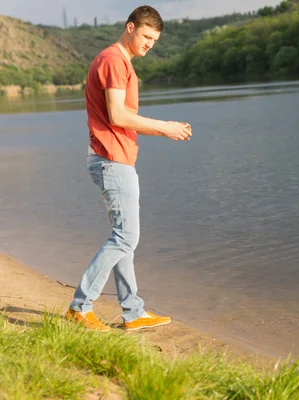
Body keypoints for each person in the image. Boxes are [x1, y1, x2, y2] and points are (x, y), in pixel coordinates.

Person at [65, 5, 192, 332]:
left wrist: (164, 129)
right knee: (125, 237)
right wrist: (164, 126)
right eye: (147, 36)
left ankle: (132, 312)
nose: (150, 43)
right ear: (130, 27)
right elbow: (117, 116)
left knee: (125, 238)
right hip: (111, 159)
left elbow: (120, 118)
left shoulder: (117, 61)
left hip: (113, 158)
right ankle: (80, 306)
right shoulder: (113, 61)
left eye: (155, 40)